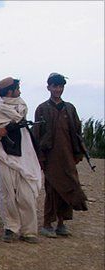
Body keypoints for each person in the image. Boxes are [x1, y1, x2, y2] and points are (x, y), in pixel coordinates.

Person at [0, 77, 42, 244]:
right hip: (2, 155)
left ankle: (29, 231)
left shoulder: (21, 107)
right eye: (17, 88)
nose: (19, 91)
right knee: (7, 194)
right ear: (9, 91)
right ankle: (11, 228)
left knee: (26, 194)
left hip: (24, 155)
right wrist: (0, 131)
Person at [33, 73, 88, 238]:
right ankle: (47, 223)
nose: (58, 89)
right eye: (55, 86)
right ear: (48, 87)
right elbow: (37, 135)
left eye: (60, 86)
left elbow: (77, 132)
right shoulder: (42, 108)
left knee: (68, 187)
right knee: (52, 189)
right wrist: (40, 157)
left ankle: (62, 223)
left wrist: (78, 152)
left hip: (67, 156)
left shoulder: (70, 108)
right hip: (50, 157)